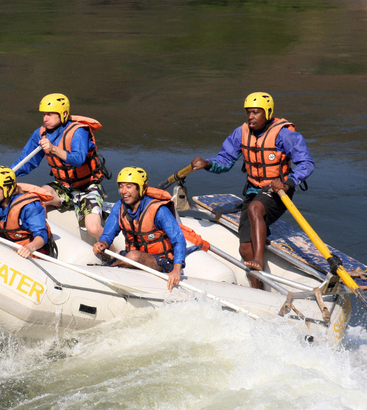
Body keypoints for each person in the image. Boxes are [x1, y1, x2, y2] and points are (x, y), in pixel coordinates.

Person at [190, 92, 314, 288]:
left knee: (255, 208)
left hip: (278, 191)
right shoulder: (241, 133)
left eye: (256, 112)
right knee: (245, 248)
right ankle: (258, 291)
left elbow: (306, 163)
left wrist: (289, 182)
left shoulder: (285, 134)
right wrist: (207, 164)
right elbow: (225, 161)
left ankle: (259, 258)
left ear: (268, 112)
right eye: (248, 112)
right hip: (253, 190)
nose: (250, 117)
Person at [12, 93, 109, 243]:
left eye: (50, 114)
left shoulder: (78, 131)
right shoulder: (40, 134)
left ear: (63, 114)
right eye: (44, 114)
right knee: (34, 200)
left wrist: (53, 149)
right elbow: (28, 161)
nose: (45, 118)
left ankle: (115, 255)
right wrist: (9, 173)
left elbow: (78, 159)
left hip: (87, 187)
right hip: (62, 186)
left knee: (93, 228)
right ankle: (40, 241)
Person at [93, 167, 186, 291]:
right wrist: (102, 243)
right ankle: (108, 268)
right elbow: (107, 235)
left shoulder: (159, 211)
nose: (123, 191)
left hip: (162, 262)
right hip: (132, 258)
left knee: (133, 256)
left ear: (140, 188)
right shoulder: (119, 207)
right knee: (128, 256)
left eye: (129, 186)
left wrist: (176, 270)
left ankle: (108, 267)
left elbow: (179, 240)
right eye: (121, 186)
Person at [0, 166, 56, 259]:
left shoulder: (30, 206)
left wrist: (29, 248)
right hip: (11, 250)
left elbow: (41, 235)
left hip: (32, 254)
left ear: (7, 188)